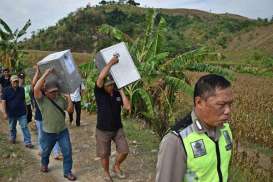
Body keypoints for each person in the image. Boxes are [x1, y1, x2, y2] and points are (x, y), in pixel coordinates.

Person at [156, 74, 234, 182]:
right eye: (221, 104)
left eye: (230, 104)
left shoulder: (225, 129)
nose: (228, 111)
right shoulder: (176, 140)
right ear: (199, 102)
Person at [34, 68, 76, 181]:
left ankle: (67, 172)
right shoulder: (41, 100)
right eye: (52, 91)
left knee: (67, 151)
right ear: (46, 92)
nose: (54, 93)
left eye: (56, 91)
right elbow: (36, 88)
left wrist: (69, 99)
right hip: (48, 132)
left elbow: (70, 110)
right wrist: (46, 73)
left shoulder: (60, 99)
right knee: (46, 152)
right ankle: (44, 164)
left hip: (62, 131)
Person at [94, 55, 131, 182]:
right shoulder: (99, 93)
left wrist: (121, 91)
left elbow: (127, 107)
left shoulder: (116, 93)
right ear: (104, 85)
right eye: (108, 84)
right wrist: (111, 62)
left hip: (117, 128)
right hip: (103, 130)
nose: (110, 86)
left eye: (112, 84)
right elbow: (100, 77)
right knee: (104, 154)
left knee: (124, 150)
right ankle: (106, 173)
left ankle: (116, 166)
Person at [31, 65, 62, 160]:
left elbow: (59, 84)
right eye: (41, 83)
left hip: (50, 118)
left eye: (44, 82)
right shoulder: (38, 93)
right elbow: (33, 84)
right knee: (42, 136)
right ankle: (42, 150)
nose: (43, 84)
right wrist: (38, 72)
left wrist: (54, 74)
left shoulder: (50, 92)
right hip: (40, 118)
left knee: (54, 134)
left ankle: (56, 153)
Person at [1, 75, 33, 148]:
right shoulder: (6, 90)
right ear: (11, 82)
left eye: (17, 81)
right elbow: (3, 102)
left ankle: (28, 142)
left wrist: (28, 110)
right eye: (14, 81)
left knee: (24, 126)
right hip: (11, 113)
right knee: (12, 127)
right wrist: (4, 113)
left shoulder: (22, 89)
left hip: (22, 112)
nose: (16, 82)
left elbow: (25, 100)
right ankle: (13, 138)